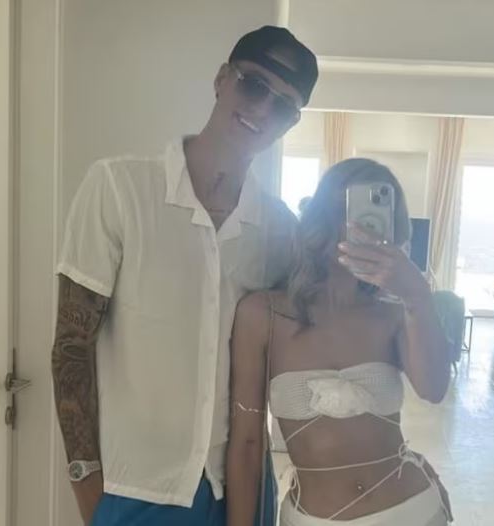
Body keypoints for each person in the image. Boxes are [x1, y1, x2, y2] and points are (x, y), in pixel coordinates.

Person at [51, 26, 318, 526]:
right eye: (254, 85)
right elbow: (71, 345)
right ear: (222, 80)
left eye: (284, 105)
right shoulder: (119, 189)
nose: (263, 109)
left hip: (240, 488)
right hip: (137, 490)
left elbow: (309, 350)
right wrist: (87, 485)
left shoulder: (280, 229)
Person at [227, 159, 453, 526]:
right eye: (343, 210)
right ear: (320, 219)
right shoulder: (262, 315)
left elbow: (434, 389)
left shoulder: (394, 313)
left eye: (372, 215)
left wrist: (418, 297)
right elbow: (247, 444)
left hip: (412, 511)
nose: (356, 225)